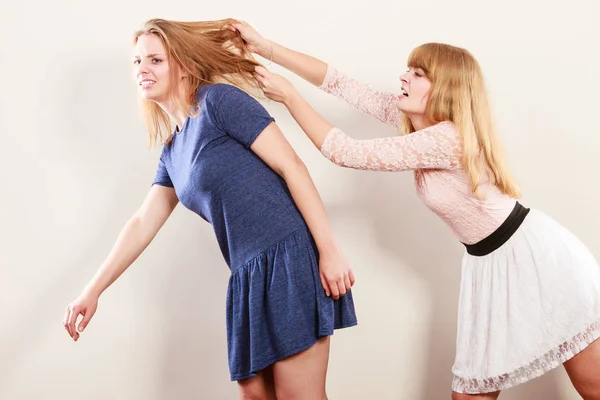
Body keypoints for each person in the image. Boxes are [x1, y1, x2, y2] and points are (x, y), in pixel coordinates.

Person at [229, 20, 600, 400]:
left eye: (417, 73)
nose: (404, 77)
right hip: (488, 263)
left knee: (591, 384)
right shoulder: (419, 125)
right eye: (409, 69)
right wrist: (267, 47)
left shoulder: (446, 138)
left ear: (444, 89)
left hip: (536, 260)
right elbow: (340, 83)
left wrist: (290, 96)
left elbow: (345, 151)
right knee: (470, 393)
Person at [63, 18, 358, 400]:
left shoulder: (218, 102)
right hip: (246, 275)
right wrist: (92, 291)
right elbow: (142, 222)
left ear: (181, 63)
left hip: (288, 258)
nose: (143, 70)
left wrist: (329, 250)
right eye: (137, 62)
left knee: (297, 395)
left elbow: (293, 167)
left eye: (155, 60)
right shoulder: (173, 150)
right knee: (254, 394)